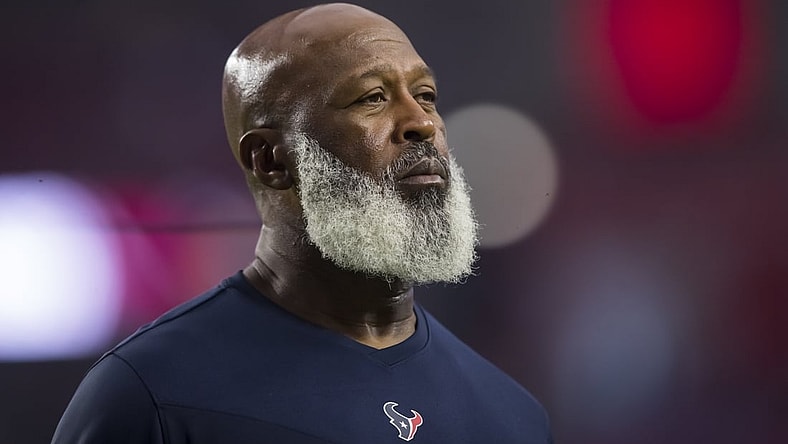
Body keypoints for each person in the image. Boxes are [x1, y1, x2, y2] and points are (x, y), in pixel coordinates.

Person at [51, 3, 552, 443]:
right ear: (271, 159)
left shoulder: (512, 416)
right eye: (372, 98)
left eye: (425, 95)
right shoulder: (151, 396)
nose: (421, 122)